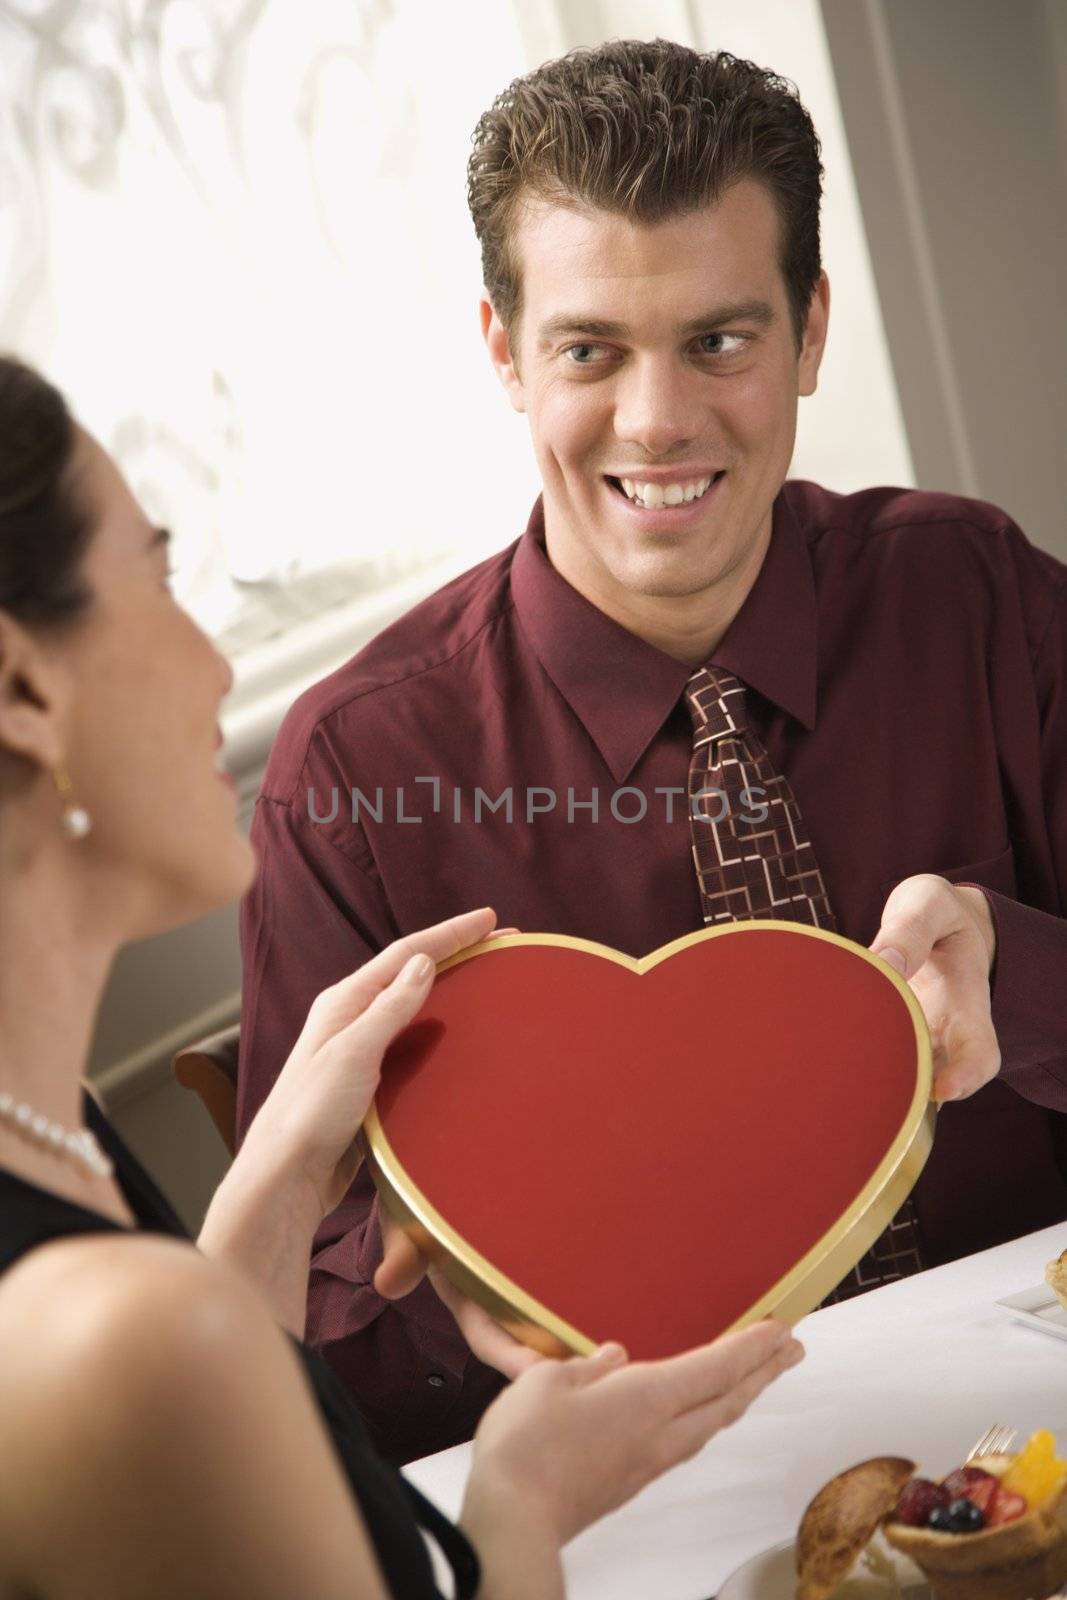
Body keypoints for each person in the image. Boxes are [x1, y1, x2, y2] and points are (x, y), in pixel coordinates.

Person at [238, 37, 1067, 1466]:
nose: (656, 421)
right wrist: (448, 1286)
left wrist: (1026, 978)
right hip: (627, 1498)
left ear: (809, 330)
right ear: (504, 354)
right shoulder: (353, 772)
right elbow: (304, 1305)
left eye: (717, 340)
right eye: (588, 350)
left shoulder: (974, 591)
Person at [0, 353, 806, 1600]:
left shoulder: (61, 1133)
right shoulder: (123, 1341)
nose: (217, 665)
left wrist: (268, 1194)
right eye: (158, 576)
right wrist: (520, 1500)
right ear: (23, 688)